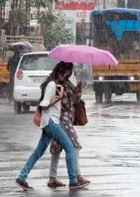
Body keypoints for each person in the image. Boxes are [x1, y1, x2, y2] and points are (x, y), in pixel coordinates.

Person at [15, 62, 90, 191]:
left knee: (38, 152)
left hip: (48, 122)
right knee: (70, 148)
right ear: (60, 72)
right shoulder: (51, 85)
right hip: (52, 123)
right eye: (66, 73)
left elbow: (61, 102)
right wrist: (57, 98)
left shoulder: (57, 85)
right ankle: (73, 180)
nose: (67, 75)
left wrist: (71, 95)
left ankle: (21, 178)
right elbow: (44, 104)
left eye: (69, 73)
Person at [47, 62, 90, 188]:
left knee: (56, 148)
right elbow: (63, 102)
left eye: (70, 70)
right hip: (62, 119)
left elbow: (73, 102)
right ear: (62, 71)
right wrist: (74, 95)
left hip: (66, 119)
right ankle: (77, 176)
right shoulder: (58, 85)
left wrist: (78, 94)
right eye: (68, 70)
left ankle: (52, 177)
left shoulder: (67, 83)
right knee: (75, 145)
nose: (69, 73)